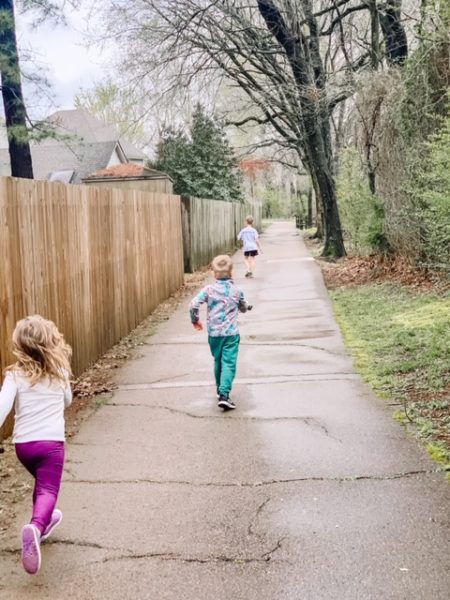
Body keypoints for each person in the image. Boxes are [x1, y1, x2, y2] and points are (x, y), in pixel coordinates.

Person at [0, 315, 72, 575]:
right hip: (51, 444)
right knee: (48, 490)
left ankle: (43, 521)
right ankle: (36, 527)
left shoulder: (14, 376)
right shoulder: (60, 372)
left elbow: (2, 408)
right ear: (51, 342)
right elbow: (67, 401)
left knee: (42, 487)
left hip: (24, 447)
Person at [189, 255, 251, 411]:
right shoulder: (237, 291)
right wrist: (245, 306)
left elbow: (193, 304)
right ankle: (224, 394)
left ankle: (219, 390)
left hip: (214, 335)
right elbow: (243, 308)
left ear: (213, 273)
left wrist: (195, 320)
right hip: (231, 335)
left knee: (218, 361)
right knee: (228, 363)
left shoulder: (208, 290)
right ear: (232, 272)